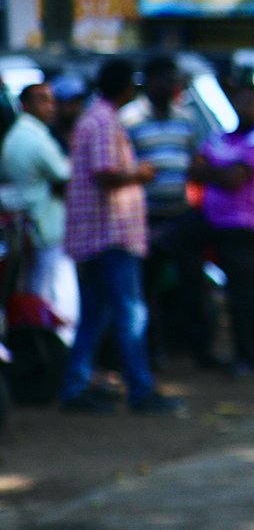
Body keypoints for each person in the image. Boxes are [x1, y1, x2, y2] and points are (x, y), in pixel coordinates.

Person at [61, 58, 181, 415]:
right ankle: (141, 391)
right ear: (127, 87)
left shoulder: (97, 118)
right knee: (131, 313)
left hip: (100, 234)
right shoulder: (102, 121)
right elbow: (105, 174)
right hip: (108, 233)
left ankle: (76, 386)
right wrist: (140, 174)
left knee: (96, 314)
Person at [127, 56, 210, 368]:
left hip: (180, 215)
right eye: (162, 79)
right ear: (148, 82)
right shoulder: (130, 119)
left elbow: (197, 158)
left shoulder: (185, 118)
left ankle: (200, 351)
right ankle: (152, 355)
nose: (168, 85)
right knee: (147, 292)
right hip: (146, 219)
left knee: (194, 286)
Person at [193, 78, 254, 374]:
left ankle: (249, 355)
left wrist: (214, 171)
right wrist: (222, 172)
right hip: (212, 223)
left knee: (244, 295)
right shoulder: (222, 136)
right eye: (239, 101)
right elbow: (197, 169)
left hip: (242, 227)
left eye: (250, 102)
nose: (244, 107)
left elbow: (234, 179)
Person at [2, 77, 80, 343]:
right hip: (44, 230)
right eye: (43, 100)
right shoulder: (31, 137)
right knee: (57, 301)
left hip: (34, 229)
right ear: (25, 105)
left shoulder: (24, 134)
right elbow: (66, 174)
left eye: (52, 101)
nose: (51, 107)